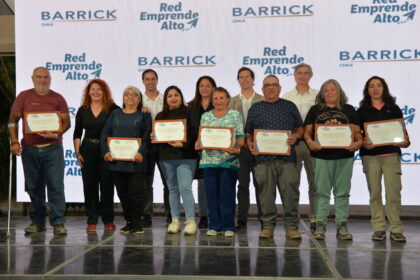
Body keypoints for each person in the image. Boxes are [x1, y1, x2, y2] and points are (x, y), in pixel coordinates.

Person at [8, 66, 70, 235]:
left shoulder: (57, 98)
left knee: (56, 186)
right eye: (39, 77)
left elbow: (66, 123)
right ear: (32, 78)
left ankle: (58, 222)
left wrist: (55, 133)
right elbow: (12, 120)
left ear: (50, 79)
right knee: (34, 187)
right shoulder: (23, 97)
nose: (43, 80)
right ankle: (37, 222)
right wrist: (14, 141)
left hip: (53, 149)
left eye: (46, 77)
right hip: (30, 150)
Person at [304, 79, 362, 240]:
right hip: (321, 157)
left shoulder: (349, 109)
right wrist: (310, 142)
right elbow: (307, 132)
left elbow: (358, 134)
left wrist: (358, 143)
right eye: (326, 90)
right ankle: (320, 226)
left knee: (342, 193)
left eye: (333, 90)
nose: (329, 93)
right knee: (321, 192)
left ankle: (342, 226)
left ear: (339, 92)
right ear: (322, 94)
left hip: (344, 156)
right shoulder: (315, 110)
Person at [246, 75, 303, 239]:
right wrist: (250, 143)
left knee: (291, 193)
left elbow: (300, 128)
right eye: (267, 85)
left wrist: (296, 136)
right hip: (262, 160)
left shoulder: (289, 106)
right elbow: (248, 132)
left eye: (274, 85)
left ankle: (291, 227)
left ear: (279, 88)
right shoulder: (255, 108)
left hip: (287, 160)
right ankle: (268, 226)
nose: (271, 87)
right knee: (266, 195)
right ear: (262, 89)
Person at [358, 76, 410, 242]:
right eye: (371, 86)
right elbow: (357, 136)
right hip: (370, 157)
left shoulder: (393, 108)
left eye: (379, 85)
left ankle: (396, 228)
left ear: (384, 88)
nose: (375, 89)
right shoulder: (362, 111)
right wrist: (364, 143)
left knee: (393, 194)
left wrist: (405, 141)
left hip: (391, 156)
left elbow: (404, 135)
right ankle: (379, 228)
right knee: (375, 194)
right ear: (367, 90)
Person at [100, 86, 152, 234]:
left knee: (136, 193)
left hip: (136, 162)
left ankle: (137, 222)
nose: (130, 97)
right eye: (127, 95)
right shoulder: (114, 114)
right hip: (117, 162)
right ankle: (129, 221)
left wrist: (141, 153)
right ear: (123, 99)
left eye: (134, 95)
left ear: (139, 99)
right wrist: (106, 152)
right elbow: (105, 135)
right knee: (122, 193)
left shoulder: (144, 116)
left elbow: (147, 137)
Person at [197, 87, 244, 237]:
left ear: (228, 99)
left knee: (227, 194)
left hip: (228, 160)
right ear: (211, 100)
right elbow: (200, 137)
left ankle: (228, 226)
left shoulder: (235, 115)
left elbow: (240, 136)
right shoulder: (205, 116)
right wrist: (197, 144)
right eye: (215, 98)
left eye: (222, 98)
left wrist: (239, 148)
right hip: (209, 160)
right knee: (211, 194)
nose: (218, 101)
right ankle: (214, 225)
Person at [73, 79, 119, 232]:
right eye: (92, 89)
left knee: (107, 187)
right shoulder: (82, 110)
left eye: (99, 89)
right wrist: (77, 152)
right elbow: (77, 133)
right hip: (88, 150)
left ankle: (108, 219)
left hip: (107, 151)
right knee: (90, 186)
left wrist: (142, 109)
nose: (96, 92)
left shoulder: (113, 108)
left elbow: (128, 113)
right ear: (88, 92)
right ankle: (92, 219)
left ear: (104, 92)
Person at [154, 86, 199, 234]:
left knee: (185, 188)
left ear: (181, 97)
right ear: (166, 99)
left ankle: (191, 221)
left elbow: (195, 133)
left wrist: (183, 144)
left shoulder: (190, 111)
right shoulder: (160, 116)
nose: (173, 98)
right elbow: (157, 136)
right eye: (170, 96)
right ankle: (174, 220)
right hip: (166, 157)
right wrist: (153, 137)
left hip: (186, 156)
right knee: (172, 189)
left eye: (176, 95)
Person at [283, 63, 318, 231]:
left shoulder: (319, 96)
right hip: (294, 143)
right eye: (299, 73)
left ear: (310, 75)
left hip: (313, 143)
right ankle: (293, 216)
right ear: (294, 76)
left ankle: (315, 216)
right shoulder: (287, 96)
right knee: (292, 182)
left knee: (315, 183)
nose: (303, 76)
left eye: (306, 73)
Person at [229, 67, 264, 230]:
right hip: (240, 148)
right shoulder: (231, 101)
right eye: (241, 77)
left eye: (247, 76)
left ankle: (264, 217)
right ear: (238, 80)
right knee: (242, 184)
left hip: (260, 148)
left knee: (261, 184)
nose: (244, 79)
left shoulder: (263, 100)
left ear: (252, 79)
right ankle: (242, 218)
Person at [141, 69, 171, 226]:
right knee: (147, 182)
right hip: (146, 146)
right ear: (143, 81)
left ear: (157, 80)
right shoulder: (139, 101)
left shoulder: (165, 99)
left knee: (168, 181)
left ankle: (170, 213)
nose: (150, 81)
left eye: (153, 78)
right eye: (147, 79)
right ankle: (146, 214)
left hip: (165, 145)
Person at [187, 75, 216, 229]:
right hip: (197, 152)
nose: (205, 88)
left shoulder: (219, 105)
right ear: (198, 89)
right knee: (202, 184)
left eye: (208, 85)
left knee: (215, 183)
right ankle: (204, 215)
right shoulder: (190, 107)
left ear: (213, 88)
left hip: (217, 152)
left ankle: (215, 215)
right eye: (201, 86)